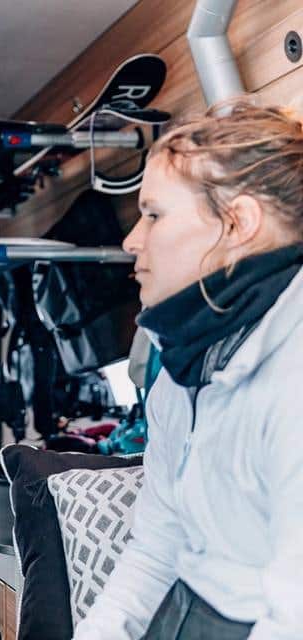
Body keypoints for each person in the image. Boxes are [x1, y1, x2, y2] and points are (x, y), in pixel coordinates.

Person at [74, 101, 303, 639]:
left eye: (154, 214)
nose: (132, 240)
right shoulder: (183, 368)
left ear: (238, 224)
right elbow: (157, 547)